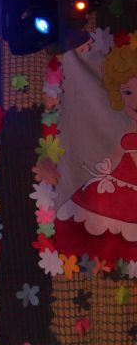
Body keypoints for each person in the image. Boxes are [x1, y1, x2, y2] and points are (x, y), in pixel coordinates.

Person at [55, 46, 137, 264]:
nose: (135, 101)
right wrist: (105, 170)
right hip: (119, 187)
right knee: (108, 228)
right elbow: (117, 155)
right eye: (128, 92)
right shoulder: (127, 132)